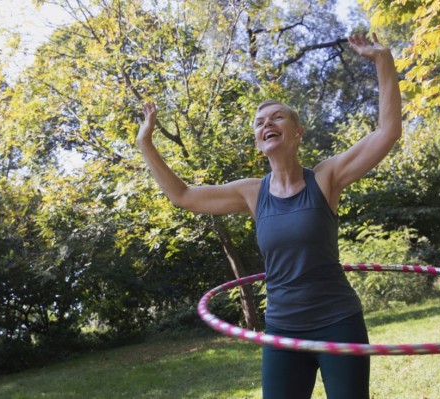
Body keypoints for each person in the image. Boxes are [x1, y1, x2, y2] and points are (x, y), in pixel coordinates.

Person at [137, 32, 401, 399]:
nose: (267, 124)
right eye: (260, 122)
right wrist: (145, 144)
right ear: (259, 143)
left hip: (337, 321)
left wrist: (383, 60)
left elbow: (388, 131)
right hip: (282, 329)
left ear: (297, 133)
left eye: (277, 117)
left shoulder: (326, 178)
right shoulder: (251, 192)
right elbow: (182, 196)